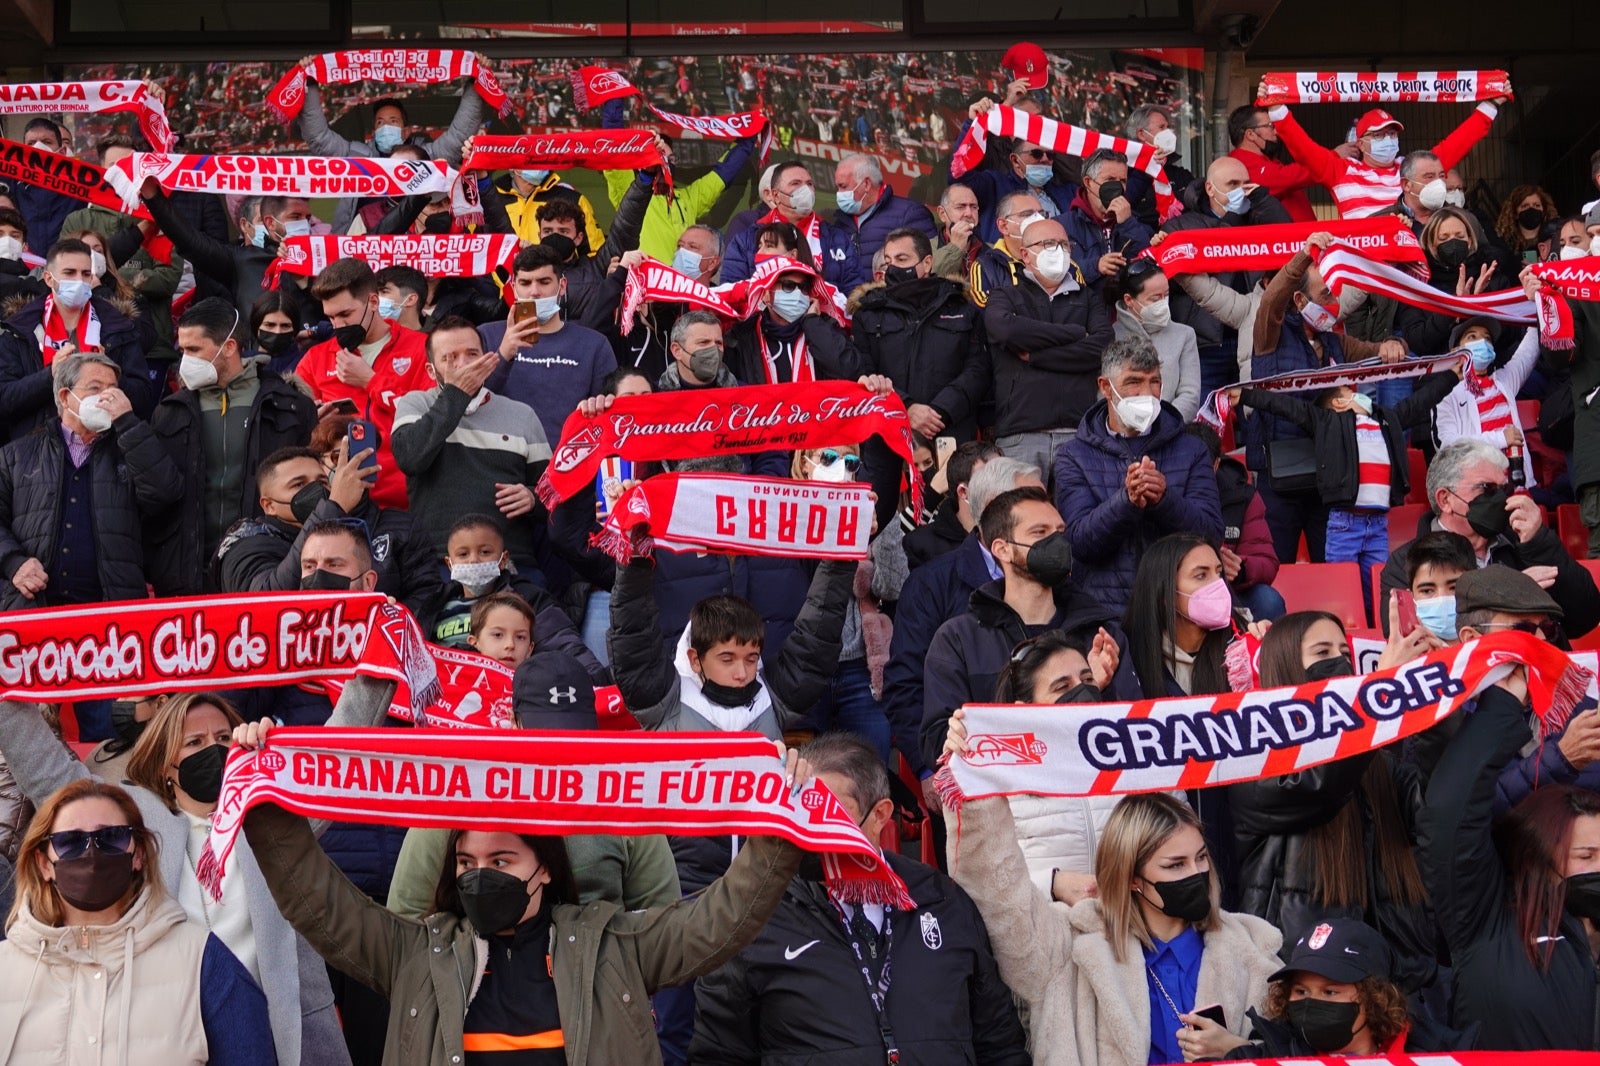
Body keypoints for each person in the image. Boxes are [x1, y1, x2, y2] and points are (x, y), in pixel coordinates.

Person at [235, 717, 808, 1065]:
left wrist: (777, 830)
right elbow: (319, 902)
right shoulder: (414, 952)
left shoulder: (615, 945)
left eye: (502, 859)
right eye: (467, 861)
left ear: (546, 869)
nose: (480, 874)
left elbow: (720, 921)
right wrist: (263, 801)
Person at [0, 684, 393, 1065]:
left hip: (281, 1040)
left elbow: (337, 748)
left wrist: (374, 675)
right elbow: (47, 772)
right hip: (170, 1038)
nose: (214, 750)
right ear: (165, 764)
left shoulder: (274, 809)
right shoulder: (128, 824)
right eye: (195, 743)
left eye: (223, 737)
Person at [691, 733, 1031, 1065]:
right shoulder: (757, 917)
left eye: (831, 812)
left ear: (880, 815)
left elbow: (998, 1043)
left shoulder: (942, 900)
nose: (813, 828)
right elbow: (718, 1053)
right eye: (803, 809)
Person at [945, 746, 1282, 1066]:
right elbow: (998, 889)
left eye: (1201, 858)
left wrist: (1239, 1051)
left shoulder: (1252, 949)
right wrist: (974, 777)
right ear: (1132, 877)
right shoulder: (1069, 949)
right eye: (1175, 864)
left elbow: (1299, 1049)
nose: (1196, 873)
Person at [1227, 610, 1443, 989]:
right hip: (1302, 982)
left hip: (1394, 984)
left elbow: (1437, 807)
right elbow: (1319, 785)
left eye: (1345, 651)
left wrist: (1430, 700)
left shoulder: (1378, 758)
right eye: (1322, 652)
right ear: (1286, 668)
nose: (1340, 662)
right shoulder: (1253, 759)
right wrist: (1378, 691)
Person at [0, 778, 276, 1065]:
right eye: (69, 842)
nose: (91, 852)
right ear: (44, 864)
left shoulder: (203, 960)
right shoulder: (4, 968)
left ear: (139, 855)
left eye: (112, 837)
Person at [1418, 640, 1600, 1049]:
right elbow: (1451, 814)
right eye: (1585, 855)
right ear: (1540, 856)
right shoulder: (1486, 921)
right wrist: (1499, 709)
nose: (1597, 867)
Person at [919, 485, 1140, 771]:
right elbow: (939, 743)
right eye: (1040, 533)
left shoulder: (1100, 632)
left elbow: (1135, 731)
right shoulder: (958, 639)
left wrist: (1097, 689)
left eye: (1059, 532)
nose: (1057, 542)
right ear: (1002, 549)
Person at [1231, 361, 1460, 609]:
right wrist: (1245, 395)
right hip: (1344, 525)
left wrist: (1451, 376)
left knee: (1380, 592)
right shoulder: (1328, 423)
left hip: (1378, 525)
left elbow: (1418, 403)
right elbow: (1286, 406)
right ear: (1338, 404)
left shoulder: (1385, 421)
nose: (1360, 395)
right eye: (1351, 393)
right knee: (1345, 593)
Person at [886, 457, 1043, 791]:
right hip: (968, 777)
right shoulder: (932, 584)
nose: (1046, 516)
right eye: (1031, 505)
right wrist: (929, 770)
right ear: (991, 510)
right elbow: (906, 686)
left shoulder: (1066, 579)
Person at [146, 298, 317, 597]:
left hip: (262, 565)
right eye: (183, 349)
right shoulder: (171, 411)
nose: (185, 359)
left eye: (194, 349)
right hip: (186, 569)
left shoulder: (289, 407)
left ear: (229, 347)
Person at [607, 542, 857, 736]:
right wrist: (635, 554)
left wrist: (842, 560)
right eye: (727, 659)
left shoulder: (773, 694)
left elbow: (817, 633)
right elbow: (633, 633)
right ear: (695, 659)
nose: (742, 673)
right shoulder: (663, 699)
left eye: (751, 659)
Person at [0, 352, 180, 615]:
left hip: (112, 613)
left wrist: (128, 423)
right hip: (34, 609)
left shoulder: (131, 445)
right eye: (95, 388)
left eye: (113, 390)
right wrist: (13, 563)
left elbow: (165, 493)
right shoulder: (17, 455)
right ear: (64, 396)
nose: (107, 397)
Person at [1056, 337, 1223, 617]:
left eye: (1154, 382)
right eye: (1134, 382)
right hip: (1104, 609)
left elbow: (1211, 535)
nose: (1146, 392)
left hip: (1176, 606)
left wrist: (1164, 500)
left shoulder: (1192, 449)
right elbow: (1079, 544)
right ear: (1105, 387)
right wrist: (1126, 502)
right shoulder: (1072, 455)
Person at [1379, 437, 1600, 637]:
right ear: (1445, 499)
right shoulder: (1405, 561)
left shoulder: (1522, 542)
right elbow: (1405, 638)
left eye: (1504, 489)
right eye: (1487, 489)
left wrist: (1539, 542)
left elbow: (1586, 616)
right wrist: (1512, 593)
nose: (1499, 499)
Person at [853, 227, 990, 527]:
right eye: (888, 261)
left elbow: (978, 369)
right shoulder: (868, 313)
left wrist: (939, 410)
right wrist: (908, 408)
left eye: (902, 258)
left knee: (952, 524)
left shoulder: (963, 308)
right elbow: (863, 370)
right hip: (887, 436)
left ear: (927, 263)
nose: (893, 267)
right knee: (878, 525)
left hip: (950, 431)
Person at [391, 316, 551, 560]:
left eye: (472, 354)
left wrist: (532, 498)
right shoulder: (417, 403)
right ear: (430, 370)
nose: (463, 364)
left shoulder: (522, 414)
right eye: (449, 358)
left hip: (510, 560)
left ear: (487, 358)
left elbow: (553, 496)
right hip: (437, 559)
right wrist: (456, 395)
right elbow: (410, 458)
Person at [217, 449, 439, 619]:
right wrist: (334, 504)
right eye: (299, 484)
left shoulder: (346, 526)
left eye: (322, 482)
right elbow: (266, 601)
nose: (317, 492)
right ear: (268, 505)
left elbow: (426, 594)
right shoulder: (246, 543)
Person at [293, 257, 433, 509]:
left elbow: (431, 418)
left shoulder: (422, 348)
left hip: (407, 500)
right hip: (340, 500)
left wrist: (371, 380)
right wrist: (313, 421)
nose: (338, 325)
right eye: (331, 317)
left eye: (346, 314)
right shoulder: (315, 358)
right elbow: (296, 434)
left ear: (373, 301)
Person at [983, 217, 1115, 477]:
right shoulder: (1005, 295)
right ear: (1026, 254)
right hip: (1021, 434)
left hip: (1079, 433)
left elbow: (1102, 346)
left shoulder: (1088, 298)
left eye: (1064, 245)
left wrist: (1035, 356)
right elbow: (1006, 330)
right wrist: (1076, 333)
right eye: (1048, 243)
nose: (1058, 250)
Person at [1222, 918, 1466, 1057]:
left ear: (1376, 999)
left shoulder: (1439, 1055)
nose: (1311, 1002)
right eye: (1301, 991)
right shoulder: (1267, 1058)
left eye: (1330, 991)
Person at [0, 237, 155, 444]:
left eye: (85, 274)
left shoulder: (118, 327)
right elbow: (4, 400)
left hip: (104, 446)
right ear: (48, 278)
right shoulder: (20, 328)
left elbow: (144, 398)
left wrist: (111, 376)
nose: (79, 281)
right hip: (37, 450)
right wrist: (50, 376)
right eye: (69, 273)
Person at [1262, 90, 1506, 218]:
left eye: (1392, 134)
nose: (1388, 140)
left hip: (1408, 268)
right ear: (1361, 143)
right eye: (1378, 135)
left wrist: (1491, 105)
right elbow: (1302, 148)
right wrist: (1276, 108)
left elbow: (1457, 143)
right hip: (1364, 271)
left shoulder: (1413, 167)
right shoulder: (1341, 170)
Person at [483, 243, 619, 446]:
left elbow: (610, 414)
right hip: (502, 463)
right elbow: (471, 402)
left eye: (544, 282)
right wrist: (503, 354)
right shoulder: (486, 335)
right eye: (525, 283)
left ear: (562, 286)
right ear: (514, 287)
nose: (534, 292)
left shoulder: (594, 344)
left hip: (567, 464)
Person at [1185, 422, 1283, 622]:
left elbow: (1267, 560)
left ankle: (1267, 653)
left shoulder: (1242, 495)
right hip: (1175, 587)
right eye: (1186, 465)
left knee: (1268, 601)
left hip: (1225, 588)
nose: (1192, 473)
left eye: (1201, 467)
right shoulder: (1160, 491)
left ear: (1216, 464)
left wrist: (1241, 569)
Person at [950, 94, 1078, 242]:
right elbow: (958, 175)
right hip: (1007, 263)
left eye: (1050, 155)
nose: (1044, 159)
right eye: (1036, 154)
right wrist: (972, 124)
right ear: (1015, 161)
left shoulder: (1067, 192)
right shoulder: (995, 185)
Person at [721, 161, 865, 291]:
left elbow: (854, 291)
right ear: (776, 195)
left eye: (809, 184)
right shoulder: (747, 240)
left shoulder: (837, 238)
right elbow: (732, 291)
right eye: (795, 183)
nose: (806, 190)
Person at [1432, 316, 1540, 487]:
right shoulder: (1445, 394)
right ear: (1455, 351)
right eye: (1472, 337)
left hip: (1520, 485)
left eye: (1487, 338)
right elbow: (1447, 444)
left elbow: (1530, 349)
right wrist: (1500, 439)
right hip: (1480, 491)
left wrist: (1539, 304)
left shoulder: (1505, 380)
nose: (1482, 342)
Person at [1110, 258, 1201, 421]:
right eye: (1155, 299)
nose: (1163, 303)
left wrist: (1162, 425)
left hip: (1170, 433)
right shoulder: (1110, 336)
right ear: (1129, 300)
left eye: (1166, 295)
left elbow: (1190, 395)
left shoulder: (1184, 335)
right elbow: (1104, 395)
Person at [1064, 148, 1154, 296]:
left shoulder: (1134, 223)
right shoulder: (1064, 225)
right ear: (1088, 182)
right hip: (1085, 311)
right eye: (1110, 180)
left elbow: (1146, 268)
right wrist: (1096, 266)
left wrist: (1128, 224)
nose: (1117, 187)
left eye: (1123, 181)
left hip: (1126, 310)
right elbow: (1055, 275)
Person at [903, 440, 1002, 572]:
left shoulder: (1017, 535)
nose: (1001, 487)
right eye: (989, 480)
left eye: (1004, 477)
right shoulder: (921, 545)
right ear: (963, 492)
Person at [832, 152, 939, 262]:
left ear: (866, 184)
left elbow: (931, 265)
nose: (839, 193)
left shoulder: (910, 214)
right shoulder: (840, 223)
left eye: (843, 186)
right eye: (838, 187)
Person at [1227, 104, 1317, 223]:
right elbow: (1289, 177)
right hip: (1286, 239)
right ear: (1250, 134)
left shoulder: (1265, 160)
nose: (1276, 132)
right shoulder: (1239, 164)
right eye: (1270, 126)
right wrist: (1328, 160)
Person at [966, 190, 1040, 309]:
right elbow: (994, 317)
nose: (1039, 220)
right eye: (1027, 215)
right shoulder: (986, 267)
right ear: (1004, 226)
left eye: (1042, 214)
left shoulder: (1062, 262)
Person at [930, 181, 983, 281]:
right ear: (942, 214)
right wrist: (955, 247)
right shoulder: (926, 249)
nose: (969, 213)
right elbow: (932, 281)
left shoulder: (991, 250)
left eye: (973, 207)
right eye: (960, 207)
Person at [1496, 184, 1560, 265]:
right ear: (1515, 213)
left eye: (1536, 205)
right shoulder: (1504, 244)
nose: (1531, 209)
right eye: (1525, 206)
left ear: (1543, 210)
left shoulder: (1554, 240)